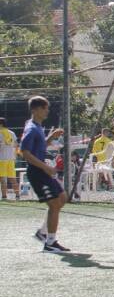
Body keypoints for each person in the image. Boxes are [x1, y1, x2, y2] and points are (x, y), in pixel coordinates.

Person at [20, 96, 70, 253]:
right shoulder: (31, 129)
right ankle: (50, 243)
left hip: (43, 171)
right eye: (45, 108)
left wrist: (51, 137)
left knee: (62, 198)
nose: (47, 111)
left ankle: (42, 233)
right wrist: (46, 168)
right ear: (35, 110)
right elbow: (25, 153)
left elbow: (39, 147)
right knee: (54, 204)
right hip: (37, 172)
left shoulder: (38, 127)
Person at [89, 127, 114, 192]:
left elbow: (94, 151)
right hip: (107, 160)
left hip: (99, 160)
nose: (108, 133)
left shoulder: (96, 141)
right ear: (105, 133)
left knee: (100, 174)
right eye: (108, 132)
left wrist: (99, 156)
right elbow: (112, 150)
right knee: (108, 173)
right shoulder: (109, 141)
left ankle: (98, 186)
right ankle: (111, 187)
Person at [0, 117, 18, 201]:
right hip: (11, 159)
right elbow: (16, 145)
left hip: (1, 159)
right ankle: (17, 196)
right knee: (13, 178)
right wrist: (14, 155)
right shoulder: (12, 133)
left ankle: (4, 197)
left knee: (3, 178)